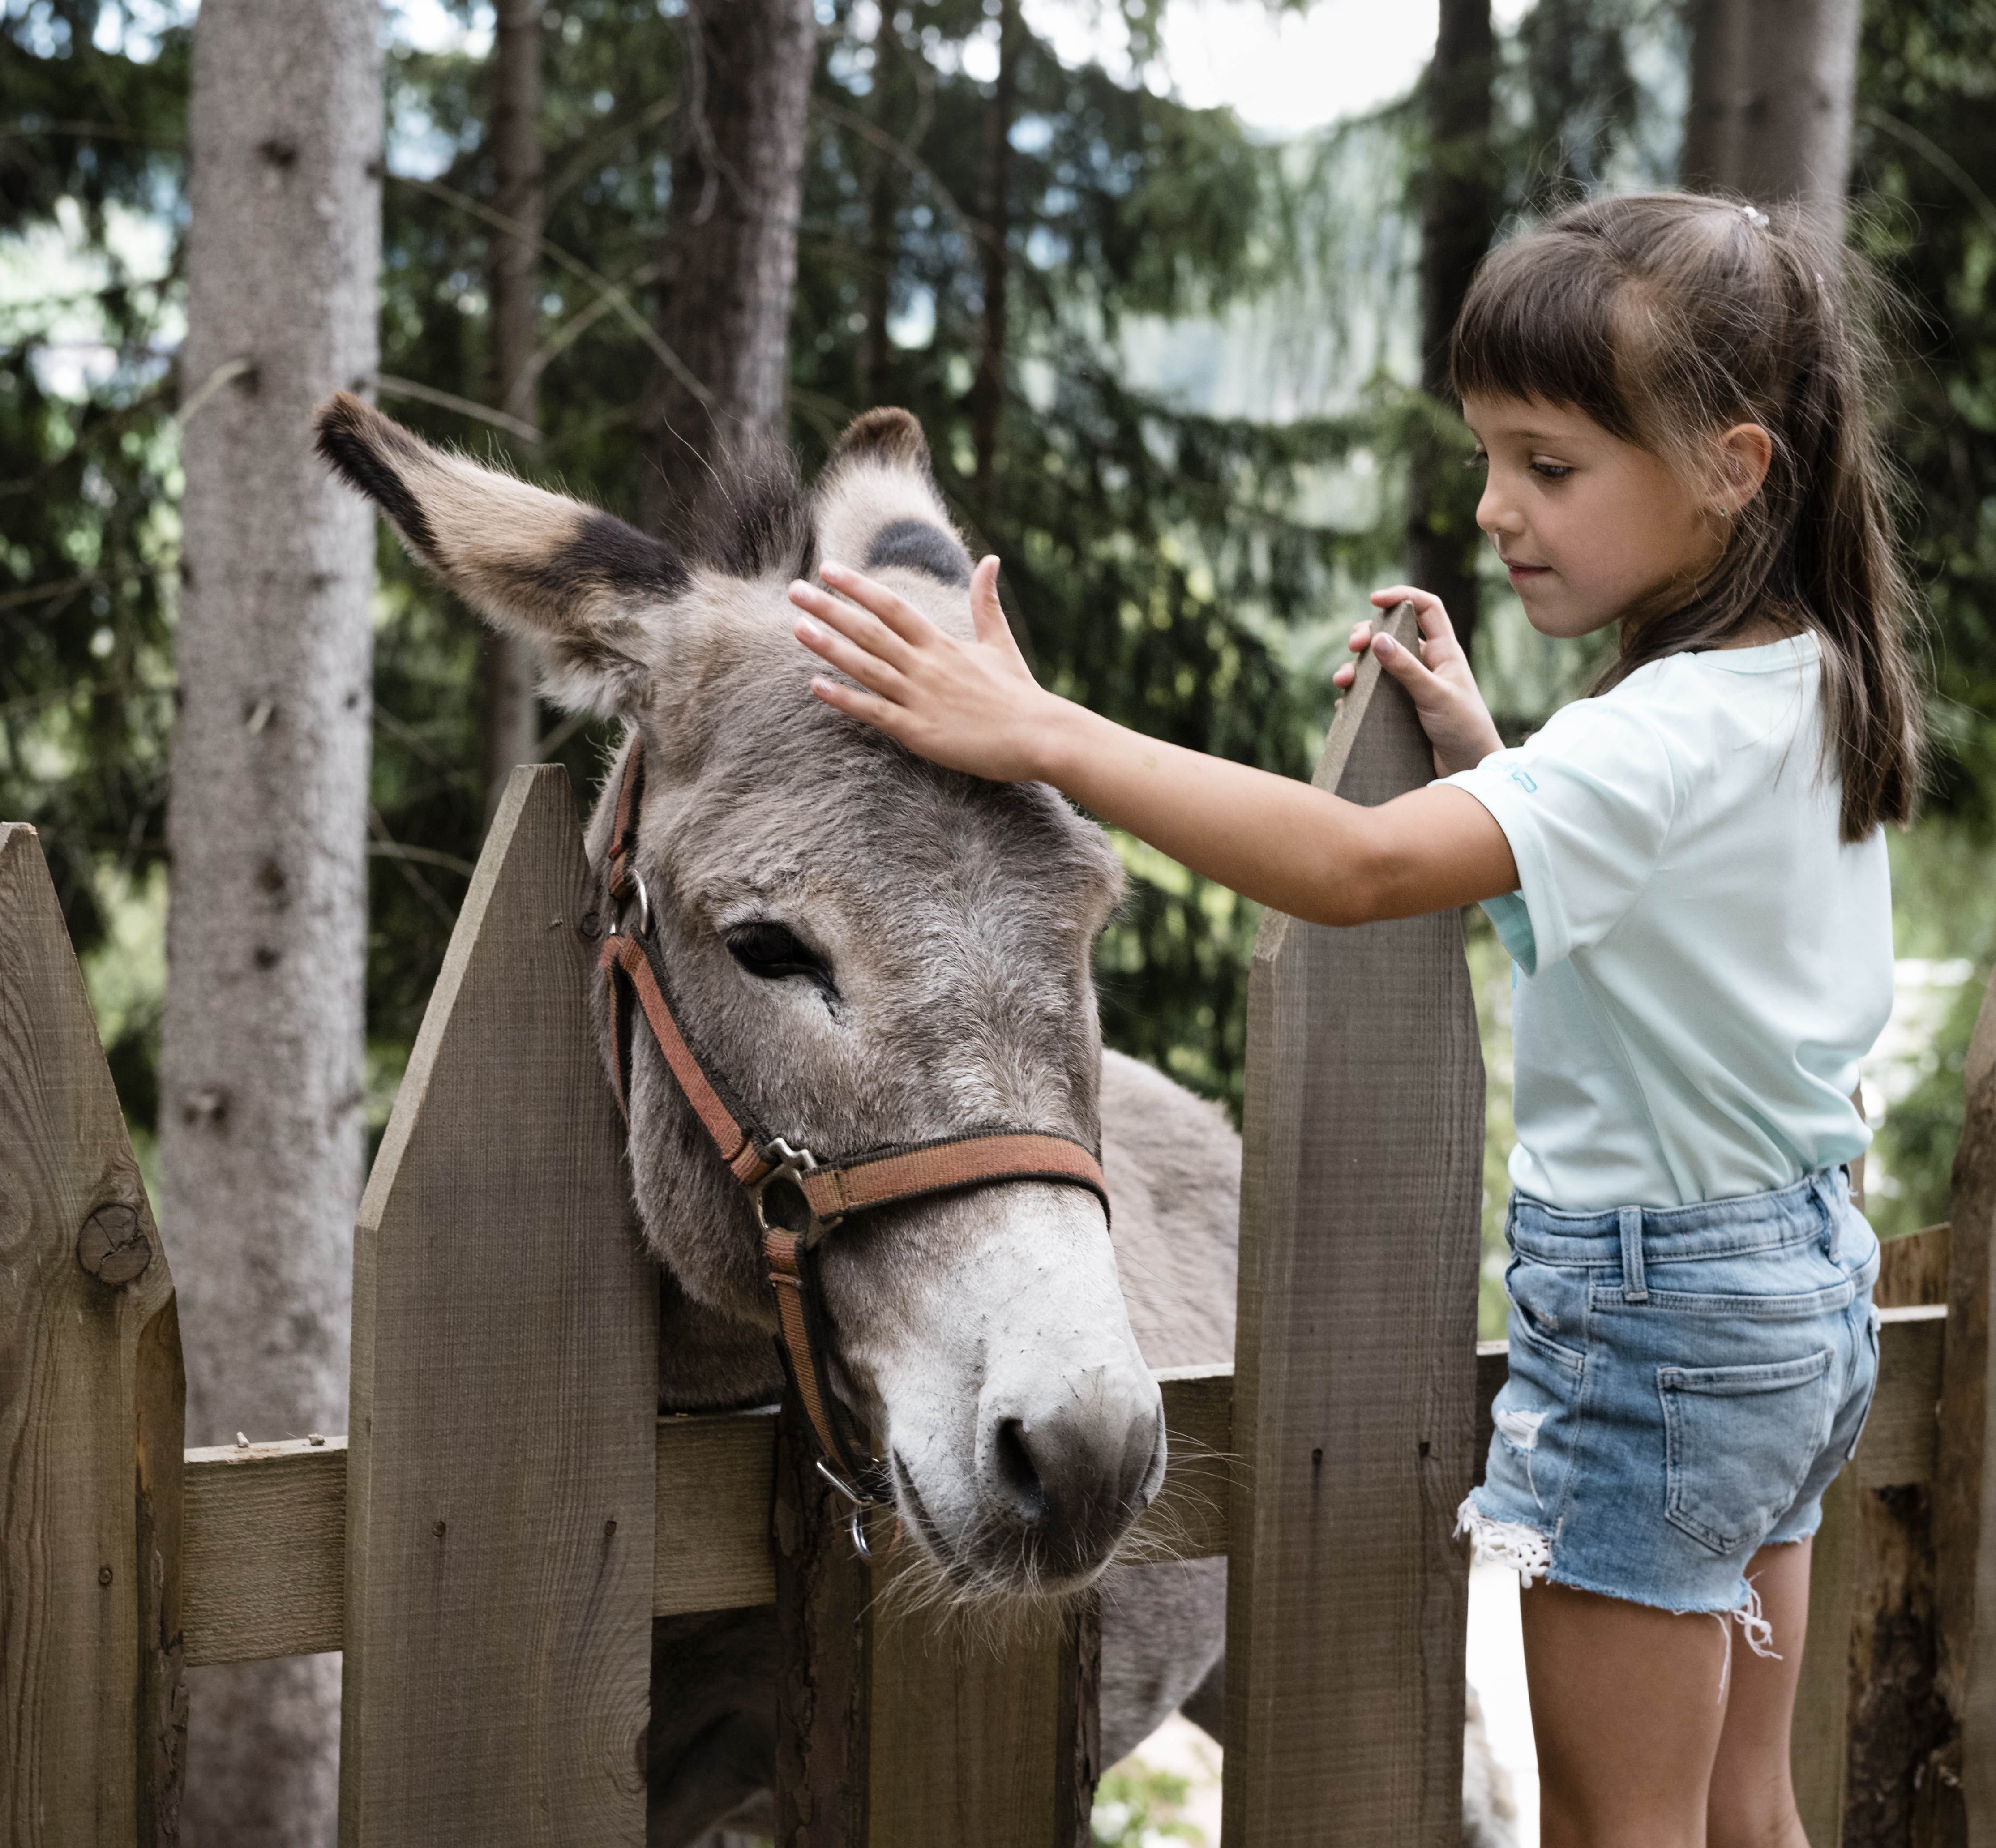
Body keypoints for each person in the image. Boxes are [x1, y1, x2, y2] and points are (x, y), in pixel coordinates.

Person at [787, 191, 1920, 1848]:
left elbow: (1361, 864)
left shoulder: (1656, 740)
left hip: (1663, 1334)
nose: (1497, 509)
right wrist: (1499, 758)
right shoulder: (1811, 675)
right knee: (1749, 1809)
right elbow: (1662, 930)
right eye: (1489, 458)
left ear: (1731, 467)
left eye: (1550, 465)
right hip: (1795, 1299)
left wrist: (1042, 731)